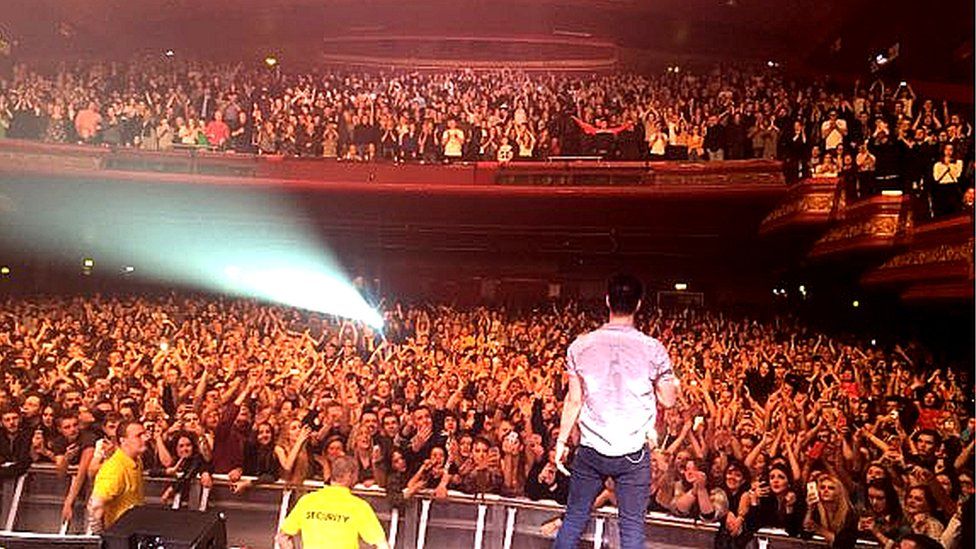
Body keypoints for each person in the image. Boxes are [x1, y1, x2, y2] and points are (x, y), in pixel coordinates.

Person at [553, 274, 680, 549]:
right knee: (632, 528)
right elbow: (669, 401)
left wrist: (562, 441)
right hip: (633, 453)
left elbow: (574, 400)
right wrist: (667, 382)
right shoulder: (653, 349)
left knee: (574, 519)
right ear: (638, 305)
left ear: (608, 301)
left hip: (590, 449)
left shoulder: (580, 345)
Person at [276, 454, 389, 549]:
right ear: (351, 475)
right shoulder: (359, 507)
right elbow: (382, 545)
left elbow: (282, 537)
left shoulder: (308, 500)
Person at [86, 420, 147, 534]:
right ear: (123, 440)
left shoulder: (137, 461)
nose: (145, 439)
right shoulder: (115, 468)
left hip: (131, 532)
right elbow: (96, 505)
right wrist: (103, 538)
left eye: (144, 434)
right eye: (138, 436)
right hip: (119, 536)